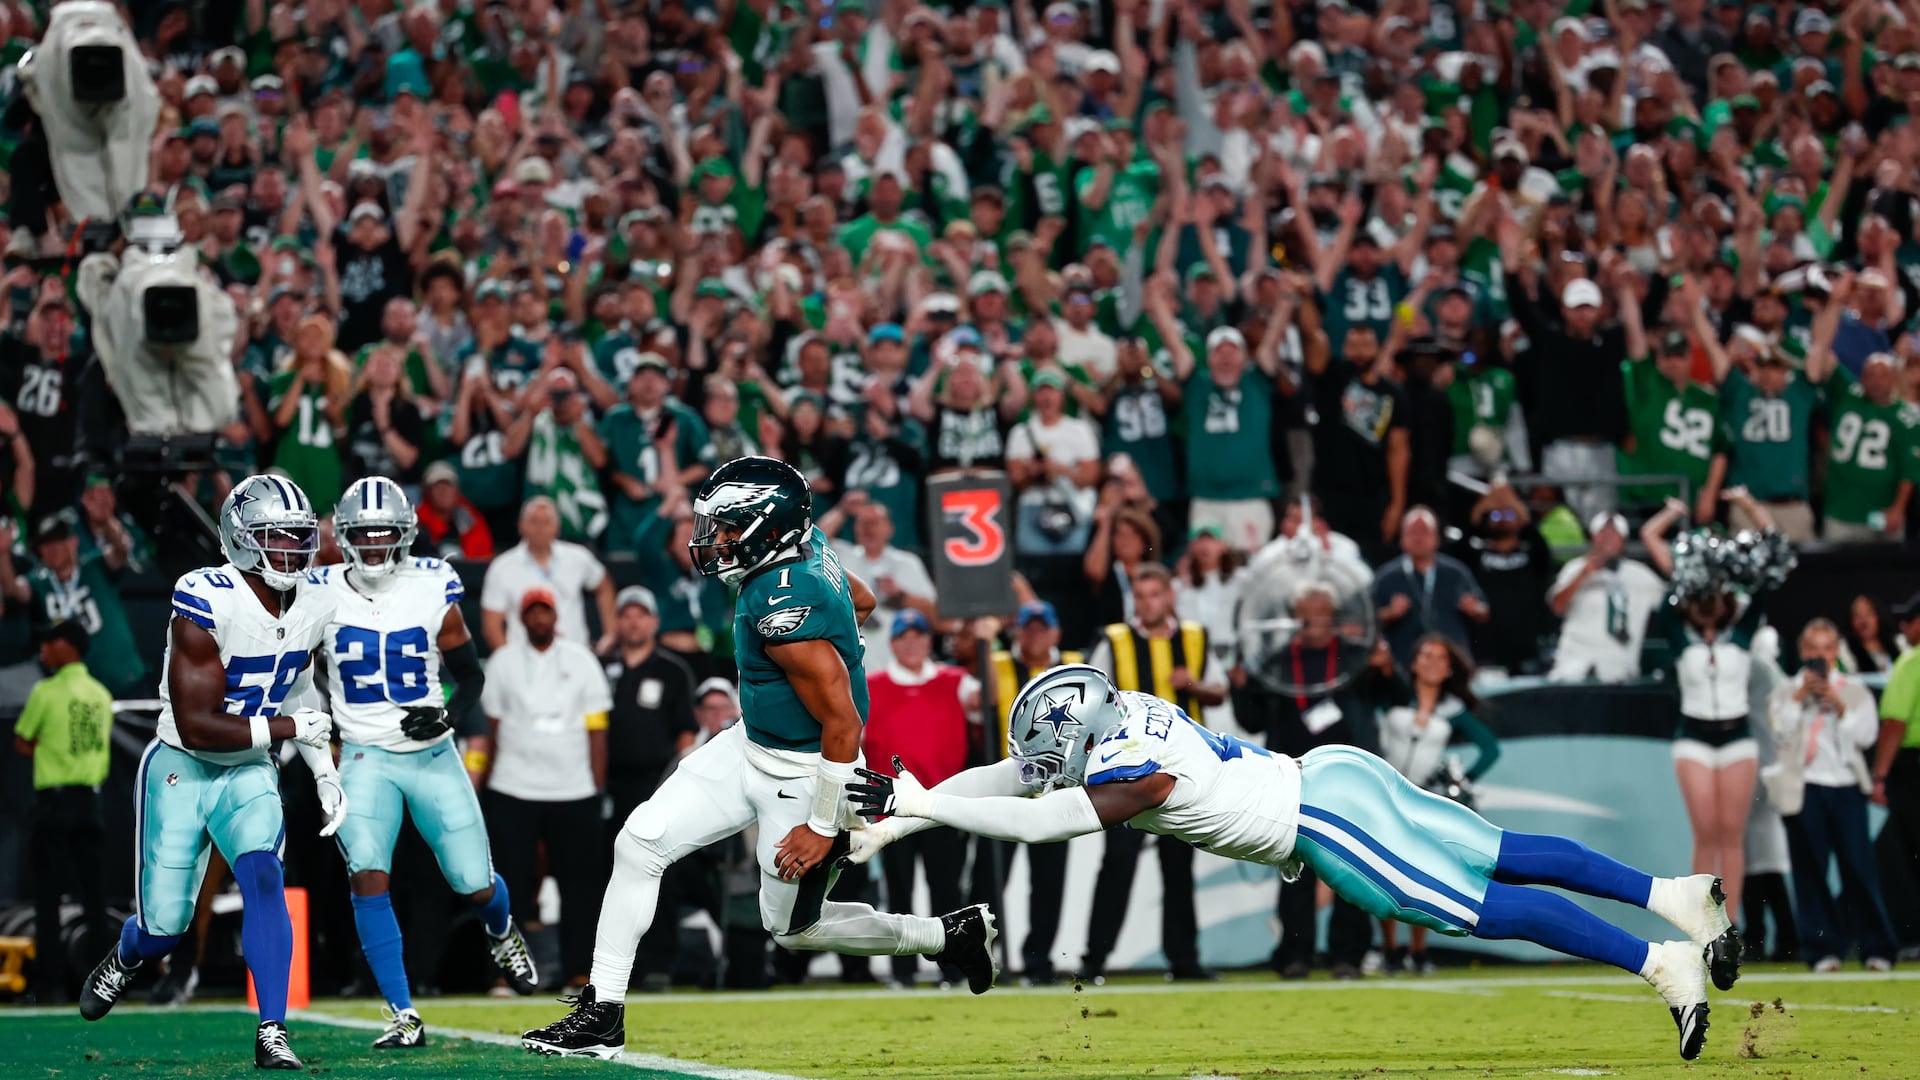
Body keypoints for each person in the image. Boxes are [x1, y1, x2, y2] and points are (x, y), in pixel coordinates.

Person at [850, 664, 1742, 1062]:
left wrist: (925, 806)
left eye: (1057, 751)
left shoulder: (1138, 771)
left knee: (1484, 907)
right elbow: (1012, 777)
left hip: (1324, 824)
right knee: (1502, 849)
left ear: (1082, 731)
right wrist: (904, 821)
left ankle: (1661, 963)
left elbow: (1043, 821)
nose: (1047, 765)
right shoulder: (1129, 709)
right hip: (1336, 772)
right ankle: (1676, 895)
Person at [521, 457, 998, 1059]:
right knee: (639, 842)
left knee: (793, 930)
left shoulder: (781, 603)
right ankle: (602, 1012)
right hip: (751, 743)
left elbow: (844, 723)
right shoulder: (804, 546)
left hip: (805, 773)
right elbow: (863, 599)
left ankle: (945, 936)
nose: (715, 539)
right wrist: (834, 641)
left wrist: (821, 824)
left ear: (766, 527)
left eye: (727, 526)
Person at [76, 475, 344, 1070]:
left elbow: (299, 685)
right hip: (183, 766)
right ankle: (128, 955)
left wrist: (324, 771)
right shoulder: (205, 596)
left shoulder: (315, 600)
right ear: (241, 539)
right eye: (277, 537)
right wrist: (290, 729)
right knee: (165, 929)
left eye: (299, 537)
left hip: (248, 769)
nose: (292, 551)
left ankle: (272, 1029)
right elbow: (198, 725)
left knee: (264, 876)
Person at [312, 478, 538, 1048]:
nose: (374, 544)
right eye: (363, 533)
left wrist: (446, 716)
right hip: (364, 755)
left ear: (405, 533)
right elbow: (298, 665)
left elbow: (471, 676)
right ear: (344, 536)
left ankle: (501, 929)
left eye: (383, 532)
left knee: (473, 882)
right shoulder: (318, 590)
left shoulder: (432, 584)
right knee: (367, 874)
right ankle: (402, 1013)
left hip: (431, 755)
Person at [1641, 489, 1789, 923]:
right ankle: (1704, 925)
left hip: (1738, 738)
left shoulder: (1742, 632)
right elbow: (1651, 540)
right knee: (1706, 835)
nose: (1709, 602)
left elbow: (1771, 557)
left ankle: (1730, 926)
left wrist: (1748, 505)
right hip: (1694, 738)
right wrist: (1671, 513)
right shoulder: (1677, 631)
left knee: (1731, 836)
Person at [1080, 563, 1224, 982]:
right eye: (1140, 597)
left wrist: (1193, 686)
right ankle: (1094, 960)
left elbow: (1219, 690)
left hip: (1180, 775)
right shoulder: (1115, 640)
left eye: (1154, 595)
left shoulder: (1194, 638)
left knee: (1178, 868)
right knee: (1118, 864)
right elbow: (1090, 695)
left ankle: (1184, 960)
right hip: (1125, 777)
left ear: (1170, 595)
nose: (1147, 604)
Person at [479, 585, 613, 991]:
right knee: (509, 884)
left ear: (556, 616)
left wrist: (597, 786)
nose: (539, 618)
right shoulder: (502, 661)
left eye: (545, 611)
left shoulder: (581, 659)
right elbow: (491, 727)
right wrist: (483, 782)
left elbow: (597, 727)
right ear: (521, 619)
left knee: (580, 887)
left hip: (573, 788)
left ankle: (580, 972)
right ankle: (507, 974)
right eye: (532, 612)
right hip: (511, 785)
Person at [1764, 619, 1895, 971]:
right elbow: (1779, 735)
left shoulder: (1854, 690)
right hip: (1804, 788)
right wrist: (1798, 700)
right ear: (1801, 652)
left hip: (1846, 786)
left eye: (1825, 648)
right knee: (1810, 873)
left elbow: (1866, 737)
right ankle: (1822, 951)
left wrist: (1840, 707)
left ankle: (1877, 948)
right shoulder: (1785, 692)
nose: (1819, 655)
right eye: (1812, 648)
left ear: (1836, 651)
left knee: (1859, 868)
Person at [1369, 634, 1502, 974]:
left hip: (1425, 798)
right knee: (1380, 874)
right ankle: (1389, 949)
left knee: (1421, 875)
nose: (1432, 662)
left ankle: (1417, 951)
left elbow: (1490, 748)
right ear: (1413, 663)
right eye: (1425, 655)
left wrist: (1461, 781)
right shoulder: (1395, 695)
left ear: (1449, 669)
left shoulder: (1452, 709)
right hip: (1385, 793)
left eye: (1440, 657)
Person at [864, 609, 980, 987]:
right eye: (904, 636)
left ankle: (952, 971)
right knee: (899, 893)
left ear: (930, 641)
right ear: (893, 643)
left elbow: (985, 701)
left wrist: (984, 644)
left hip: (943, 805)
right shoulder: (871, 686)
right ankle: (903, 972)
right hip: (892, 809)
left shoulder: (954, 680)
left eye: (918, 635)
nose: (912, 643)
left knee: (947, 891)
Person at [597, 584, 700, 993]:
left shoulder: (672, 671)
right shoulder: (602, 667)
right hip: (607, 787)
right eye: (626, 614)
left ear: (655, 622)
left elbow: (686, 733)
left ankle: (658, 964)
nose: (634, 622)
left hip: (656, 786)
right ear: (618, 622)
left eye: (641, 614)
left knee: (660, 876)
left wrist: (672, 787)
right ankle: (612, 971)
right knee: (609, 878)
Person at [983, 602, 1084, 983]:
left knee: (1049, 883)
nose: (1035, 636)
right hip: (1005, 793)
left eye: (1043, 628)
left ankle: (1038, 962)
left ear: (1056, 632)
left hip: (1058, 793)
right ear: (1018, 632)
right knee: (989, 882)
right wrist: (986, 645)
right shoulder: (998, 664)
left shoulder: (1076, 667)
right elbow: (980, 703)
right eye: (1028, 628)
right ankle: (982, 957)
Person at [14, 619, 112, 1004]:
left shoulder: (45, 691)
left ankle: (50, 986)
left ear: (68, 647)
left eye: (49, 642)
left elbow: (23, 741)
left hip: (54, 804)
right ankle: (104, 985)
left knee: (47, 898)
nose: (43, 649)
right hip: (90, 802)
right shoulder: (101, 694)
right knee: (95, 898)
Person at [0, 511, 144, 697]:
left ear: (73, 542)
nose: (52, 549)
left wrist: (106, 518)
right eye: (46, 544)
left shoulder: (96, 566)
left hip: (124, 680)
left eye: (58, 542)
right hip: (78, 692)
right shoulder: (39, 582)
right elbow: (13, 590)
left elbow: (121, 550)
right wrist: (3, 552)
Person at [479, 496, 617, 652]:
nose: (540, 528)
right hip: (524, 655)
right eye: (534, 521)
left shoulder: (578, 557)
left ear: (557, 527)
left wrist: (610, 635)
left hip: (574, 655)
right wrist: (509, 659)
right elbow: (491, 625)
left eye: (546, 522)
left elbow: (604, 586)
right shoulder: (502, 567)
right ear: (520, 525)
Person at [1547, 513, 1668, 683]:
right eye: (1602, 533)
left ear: (1623, 541)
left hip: (1619, 669)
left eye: (1613, 534)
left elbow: (1670, 605)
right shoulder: (1575, 567)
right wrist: (1583, 574)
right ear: (1593, 537)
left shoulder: (1640, 575)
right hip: (1574, 666)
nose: (1607, 538)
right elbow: (1557, 607)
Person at [1371, 506, 1489, 671]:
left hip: (1452, 666)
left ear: (1437, 538)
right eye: (1412, 532)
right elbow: (1368, 620)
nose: (1418, 538)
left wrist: (1475, 608)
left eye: (1425, 531)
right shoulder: (1386, 577)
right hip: (1404, 666)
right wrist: (1389, 613)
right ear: (1401, 538)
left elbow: (1484, 610)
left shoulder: (1456, 573)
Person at [1870, 593, 1920, 945]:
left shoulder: (1912, 660)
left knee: (1910, 855)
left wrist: (1880, 776)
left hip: (1913, 769)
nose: (1903, 627)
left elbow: (1894, 723)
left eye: (1910, 620)